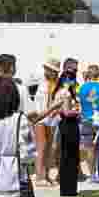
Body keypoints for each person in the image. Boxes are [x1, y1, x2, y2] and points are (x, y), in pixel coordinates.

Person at [54, 60, 82, 197]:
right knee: (69, 157)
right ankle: (68, 188)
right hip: (68, 124)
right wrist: (79, 112)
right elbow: (66, 112)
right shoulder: (66, 93)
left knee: (68, 156)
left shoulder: (62, 91)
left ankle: (68, 187)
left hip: (67, 124)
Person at [33, 58, 61, 186]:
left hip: (52, 119)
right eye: (48, 69)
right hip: (41, 117)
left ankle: (47, 174)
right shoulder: (40, 82)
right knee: (42, 147)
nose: (48, 72)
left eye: (52, 70)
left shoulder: (57, 84)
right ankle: (39, 176)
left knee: (49, 148)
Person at [78, 65, 99, 182]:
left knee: (89, 148)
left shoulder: (82, 87)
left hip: (86, 119)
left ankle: (92, 174)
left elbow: (80, 101)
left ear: (88, 74)